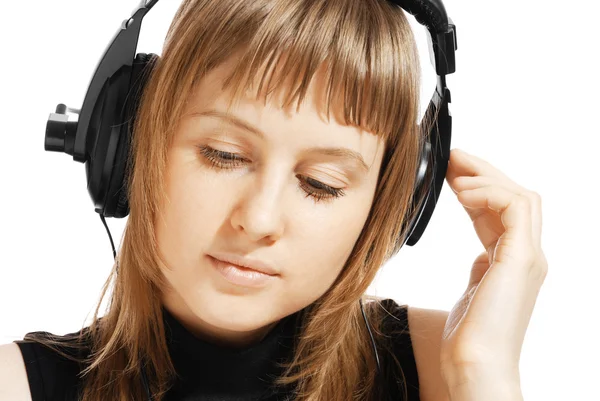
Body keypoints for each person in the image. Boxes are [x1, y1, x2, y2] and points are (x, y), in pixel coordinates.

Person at [0, 0, 547, 400]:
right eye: (222, 155)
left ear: (391, 204)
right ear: (128, 145)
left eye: (321, 184)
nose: (258, 220)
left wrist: (482, 373)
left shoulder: (445, 368)